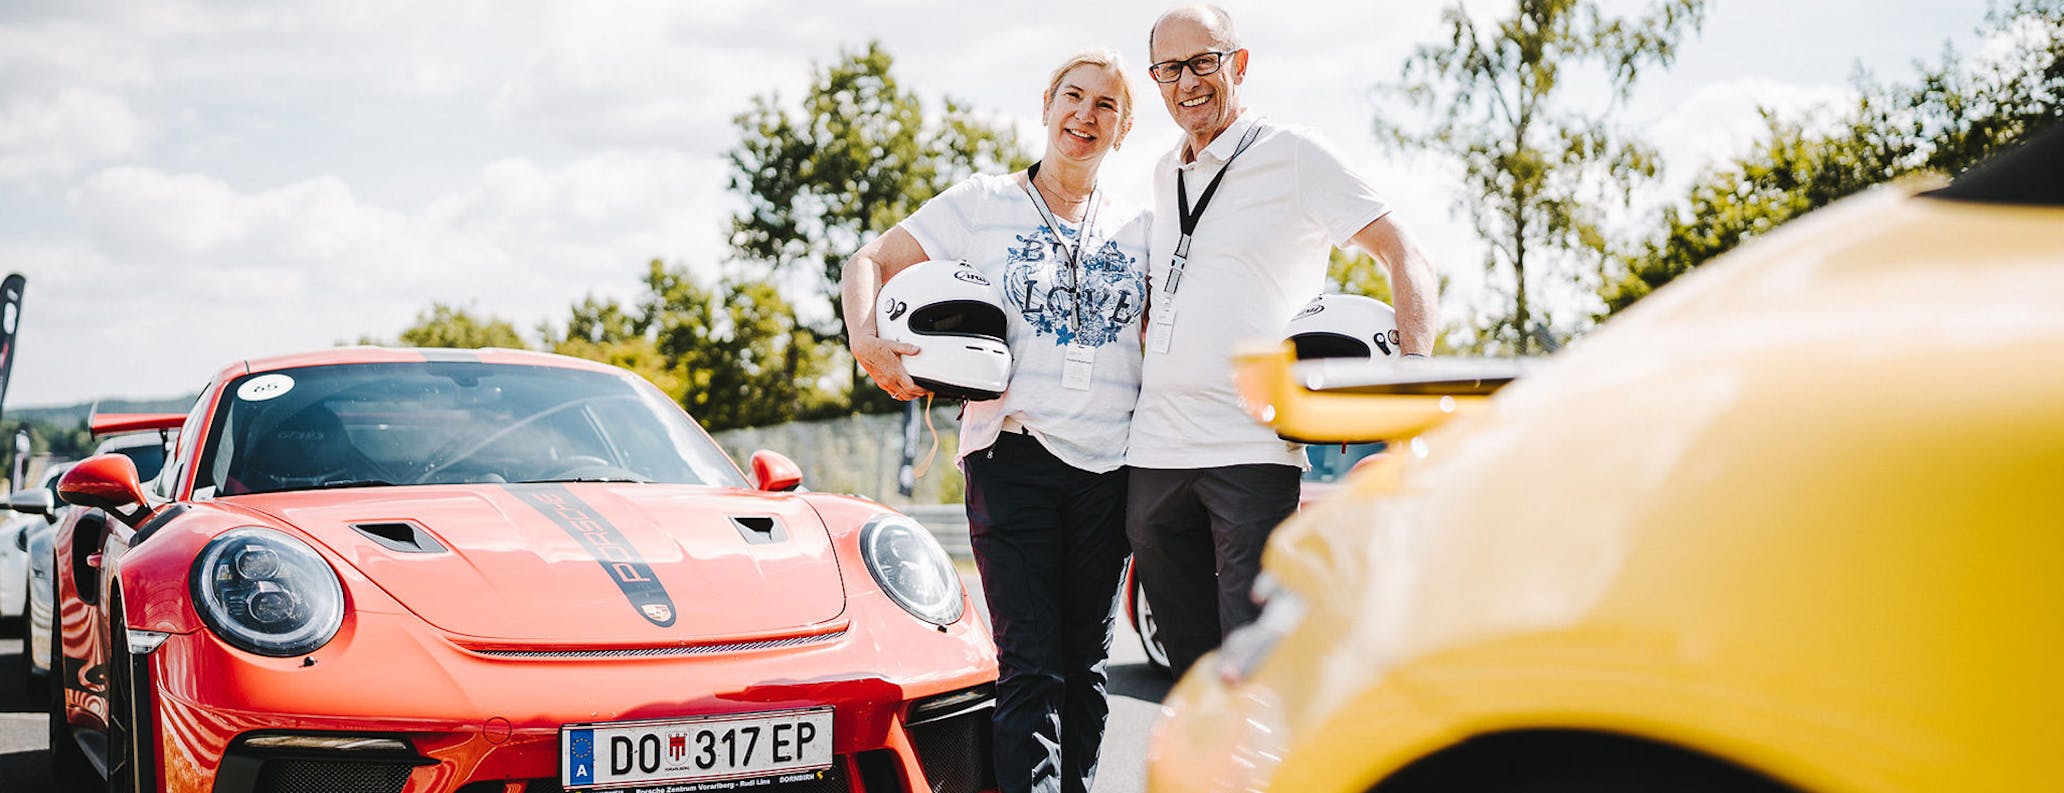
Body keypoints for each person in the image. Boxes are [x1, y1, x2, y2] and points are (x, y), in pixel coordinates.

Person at [839, 50, 1150, 793]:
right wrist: (864, 338)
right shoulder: (981, 202)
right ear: (1046, 104)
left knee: (1087, 669)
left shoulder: (1142, 225)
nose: (1086, 115)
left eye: (1106, 105)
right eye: (1073, 97)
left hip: (1113, 467)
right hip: (1014, 458)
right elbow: (868, 258)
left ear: (1124, 127)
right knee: (1032, 666)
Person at [1127, 5, 1440, 678]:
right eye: (1170, 68)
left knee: (1257, 674)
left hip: (1250, 450)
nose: (1188, 82)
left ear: (1238, 64)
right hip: (1153, 453)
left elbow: (1403, 251)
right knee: (1190, 681)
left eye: (1204, 62)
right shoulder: (1162, 173)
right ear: (1155, 80)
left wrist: (1408, 384)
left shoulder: (1294, 154)